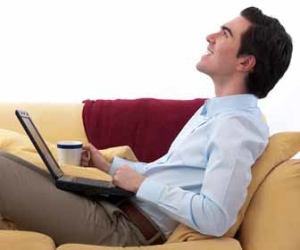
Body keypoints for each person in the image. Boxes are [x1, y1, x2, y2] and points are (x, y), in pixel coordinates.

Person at [0, 6, 293, 247]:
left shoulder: (237, 128)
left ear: (245, 62)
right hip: (117, 208)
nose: (210, 37)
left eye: (225, 34)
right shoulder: (215, 113)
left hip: (125, 229)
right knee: (9, 161)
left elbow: (216, 216)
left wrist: (141, 184)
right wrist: (109, 166)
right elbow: (172, 176)